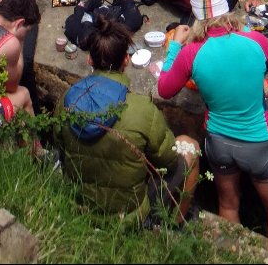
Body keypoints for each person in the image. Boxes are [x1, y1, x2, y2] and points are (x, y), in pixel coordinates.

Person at [157, 0, 268, 244]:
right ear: (227, 8)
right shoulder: (254, 40)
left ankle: (228, 253)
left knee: (228, 206)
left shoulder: (190, 53)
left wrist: (175, 45)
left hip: (219, 142)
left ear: (195, 14)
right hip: (259, 143)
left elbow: (164, 88)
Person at [57, 14, 200, 227]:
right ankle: (175, 225)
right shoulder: (141, 108)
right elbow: (169, 161)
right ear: (126, 60)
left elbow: (61, 148)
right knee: (190, 146)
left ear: (89, 60)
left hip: (79, 205)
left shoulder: (67, 100)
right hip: (127, 216)